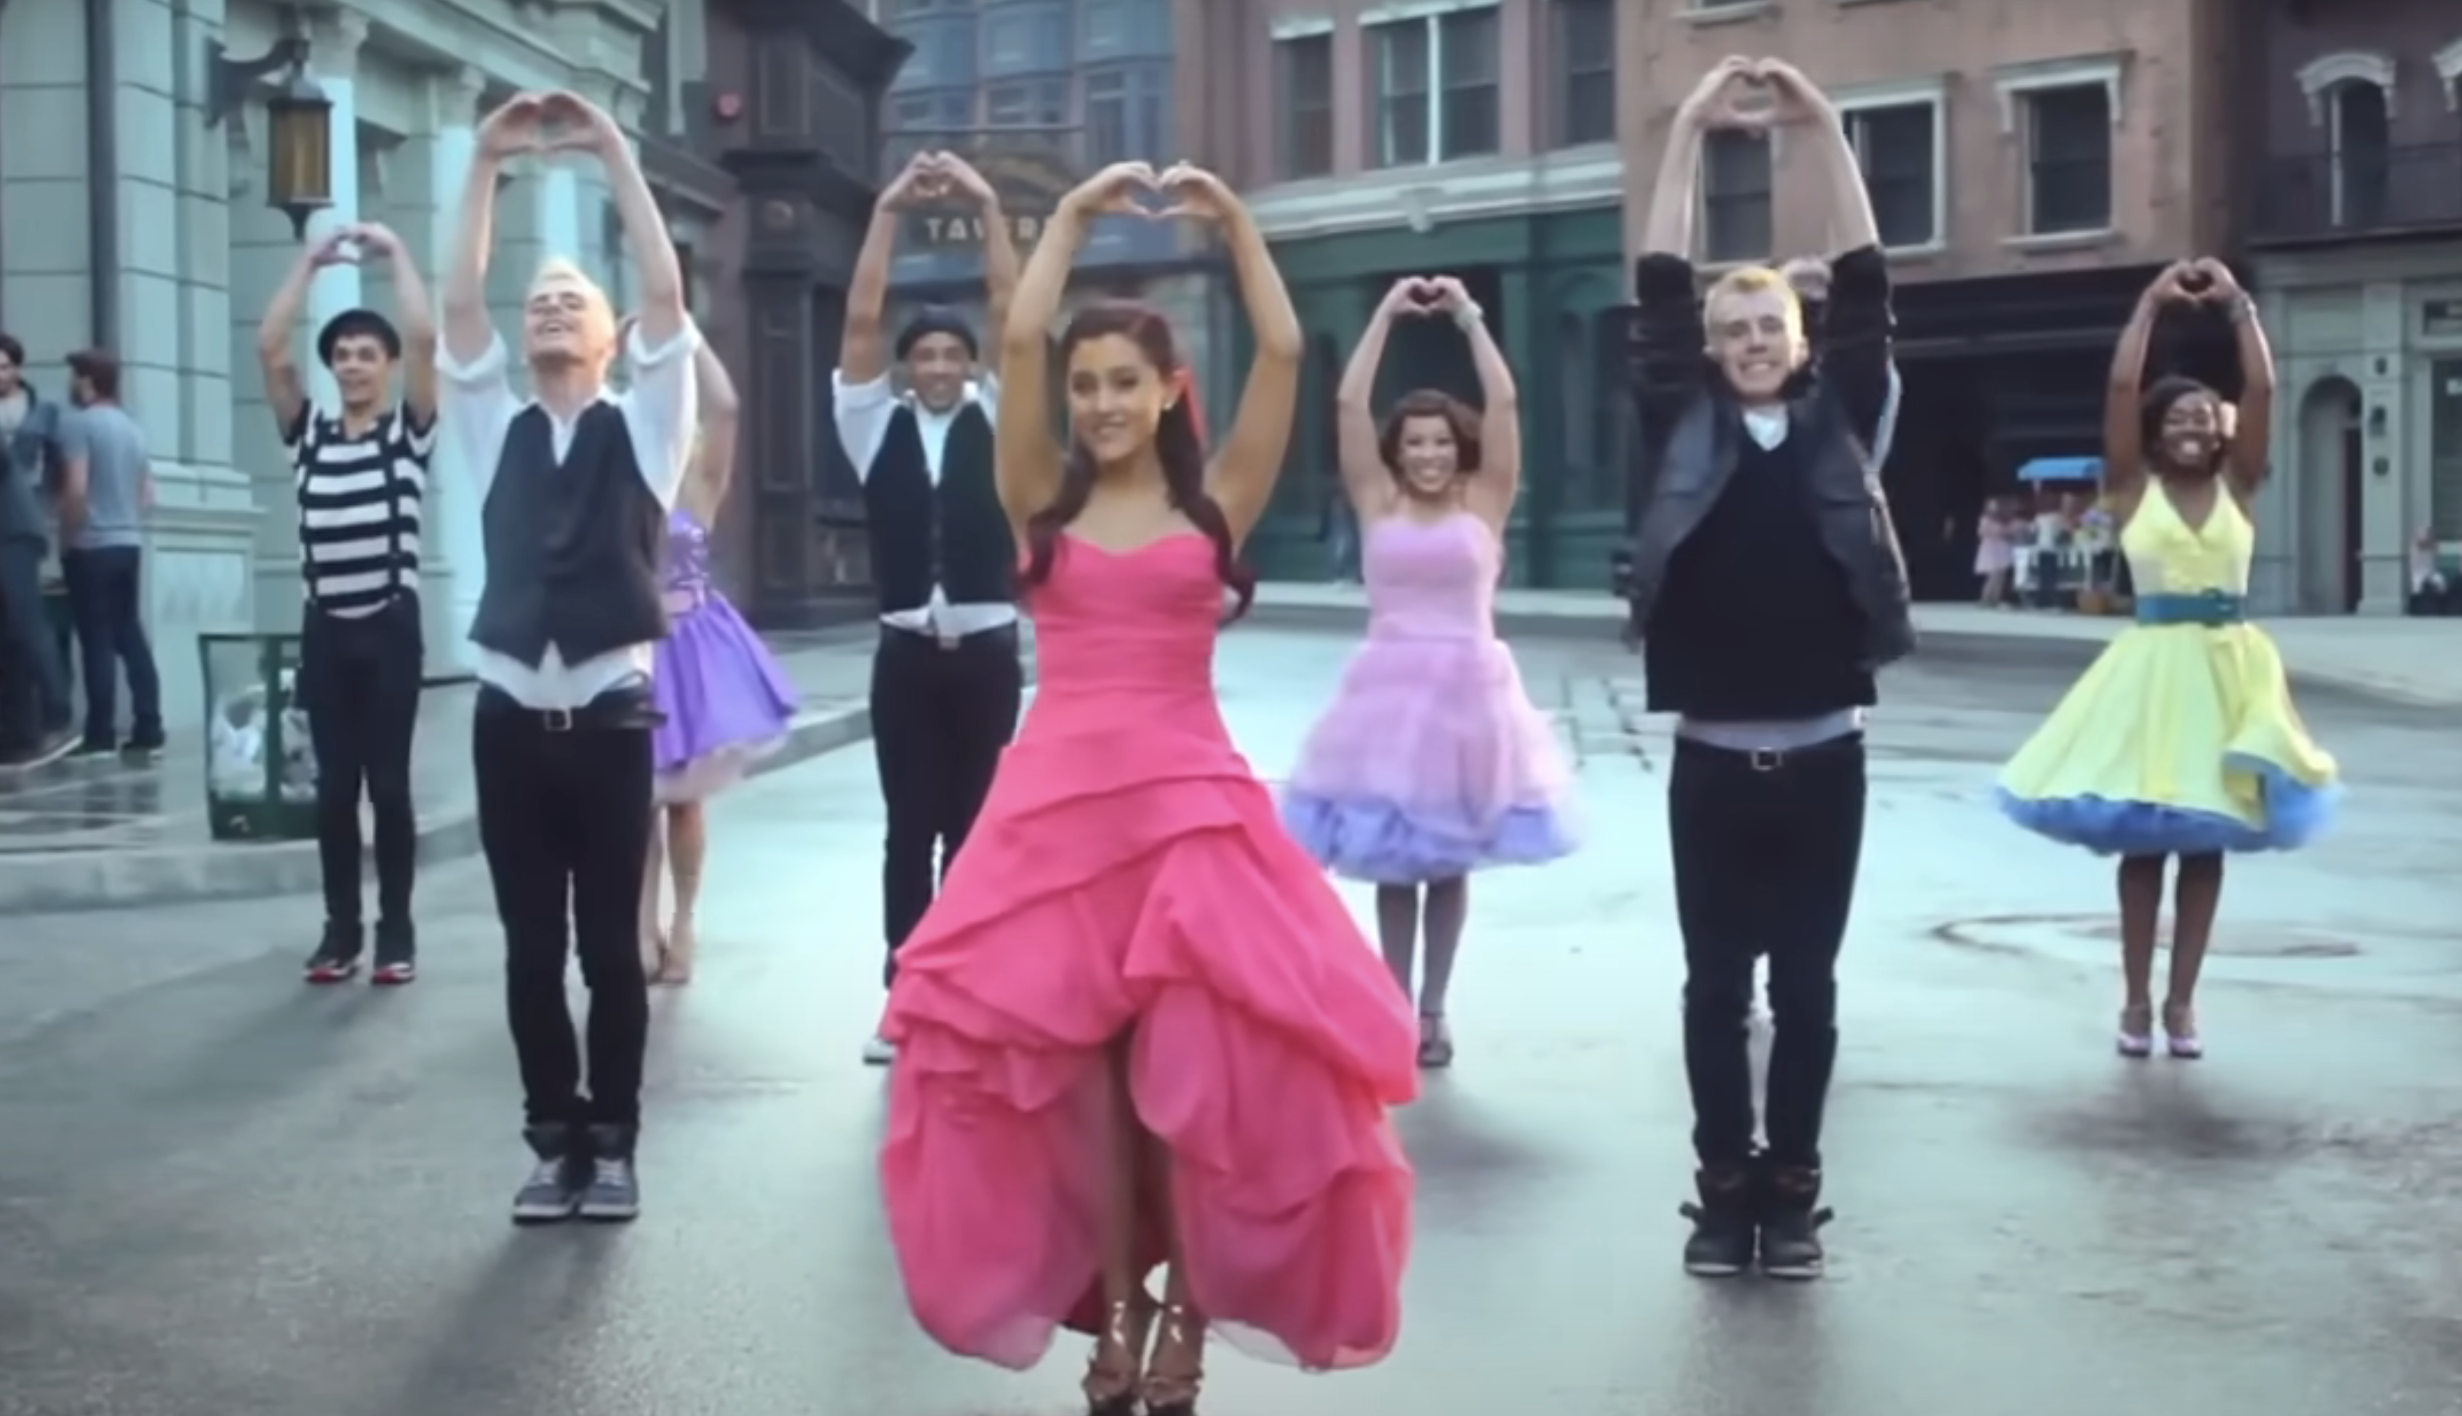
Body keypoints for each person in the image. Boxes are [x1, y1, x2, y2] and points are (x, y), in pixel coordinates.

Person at [875, 160, 1417, 1414]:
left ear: (1167, 388)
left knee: (1200, 1094)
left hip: (1187, 818)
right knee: (1093, 1102)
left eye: (1124, 382)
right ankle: (1116, 1318)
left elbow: (1280, 351)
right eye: (1085, 386)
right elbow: (1018, 337)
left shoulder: (1212, 501)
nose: (1101, 403)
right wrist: (1067, 219)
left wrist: (1233, 220)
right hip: (1056, 823)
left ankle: (1186, 1326)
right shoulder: (1037, 502)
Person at [1626, 57, 1910, 1283]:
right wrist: (1690, 126)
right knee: (1711, 991)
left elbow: (1866, 281)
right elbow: (1655, 284)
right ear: (1710, 347)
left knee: (1805, 989)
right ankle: (1719, 1193)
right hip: (1709, 765)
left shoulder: (1838, 421)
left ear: (1800, 344)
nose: (1750, 341)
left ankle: (1789, 1194)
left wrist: (1819, 121)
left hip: (1822, 761)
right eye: (1731, 328)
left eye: (1768, 327)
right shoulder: (1676, 425)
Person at [436, 89, 697, 1224]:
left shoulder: (646, 426)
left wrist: (614, 154)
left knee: (609, 951)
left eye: (569, 299)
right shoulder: (491, 425)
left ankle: (617, 1140)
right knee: (529, 950)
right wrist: (485, 162)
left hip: (607, 723)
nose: (547, 306)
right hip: (509, 723)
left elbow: (667, 293)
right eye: (536, 298)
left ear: (608, 336)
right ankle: (553, 1140)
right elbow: (457, 303)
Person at [1996, 258, 2337, 1058]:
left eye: (2204, 416)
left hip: (2227, 672)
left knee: (2207, 843)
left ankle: (2184, 1004)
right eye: (2177, 416)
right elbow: (2122, 389)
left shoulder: (2239, 484)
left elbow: (2264, 389)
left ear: (2222, 430)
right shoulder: (2130, 488)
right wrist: (2150, 304)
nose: (2193, 425)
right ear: (2155, 432)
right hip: (2151, 675)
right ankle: (2134, 1002)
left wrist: (2238, 305)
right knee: (2144, 844)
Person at [1281, 273, 1577, 1068]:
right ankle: (1391, 1003)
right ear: (1398, 451)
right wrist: (1384, 312)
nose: (1428, 454)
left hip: (1469, 698)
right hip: (1387, 699)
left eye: (1441, 441)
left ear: (1459, 447)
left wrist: (1468, 317)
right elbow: (1348, 405)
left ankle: (1434, 1010)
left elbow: (1505, 403)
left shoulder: (1486, 499)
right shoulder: (1377, 501)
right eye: (1414, 442)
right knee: (1393, 861)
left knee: (1446, 863)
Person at [833, 149, 1024, 1065]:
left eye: (953, 354)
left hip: (986, 657)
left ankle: (975, 992)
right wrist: (888, 210)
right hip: (906, 659)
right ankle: (905, 996)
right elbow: (861, 316)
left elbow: (1015, 312)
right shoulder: (874, 427)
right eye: (925, 356)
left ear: (971, 365)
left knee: (978, 831)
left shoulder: (1003, 419)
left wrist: (986, 204)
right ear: (906, 369)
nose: (940, 366)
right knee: (909, 828)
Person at [258, 222, 439, 985]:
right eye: (342, 355)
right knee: (334, 793)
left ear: (388, 367)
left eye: (367, 354)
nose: (353, 364)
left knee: (388, 787)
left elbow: (427, 341)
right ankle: (341, 931)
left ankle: (396, 932)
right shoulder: (309, 435)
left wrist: (396, 257)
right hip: (327, 631)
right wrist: (307, 264)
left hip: (389, 628)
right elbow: (270, 347)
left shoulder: (407, 435)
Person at [640, 337, 794, 984]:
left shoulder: (698, 486)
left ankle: (683, 923)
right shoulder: (621, 475)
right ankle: (642, 925)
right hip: (632, 646)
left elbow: (726, 407)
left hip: (688, 649)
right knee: (636, 800)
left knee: (683, 802)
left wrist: (685, 335)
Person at [56, 349, 163, 758]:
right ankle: (148, 725)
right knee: (129, 634)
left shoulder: (79, 425)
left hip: (92, 546)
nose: (70, 383)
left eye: (74, 376)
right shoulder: (131, 426)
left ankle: (99, 733)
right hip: (128, 542)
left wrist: (69, 535)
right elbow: (147, 494)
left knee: (96, 640)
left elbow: (76, 488)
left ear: (86, 381)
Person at [0, 333, 74, 767]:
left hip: (14, 529)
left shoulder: (41, 411)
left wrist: (54, 513)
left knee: (26, 623)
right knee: (8, 635)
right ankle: (16, 734)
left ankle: (57, 718)